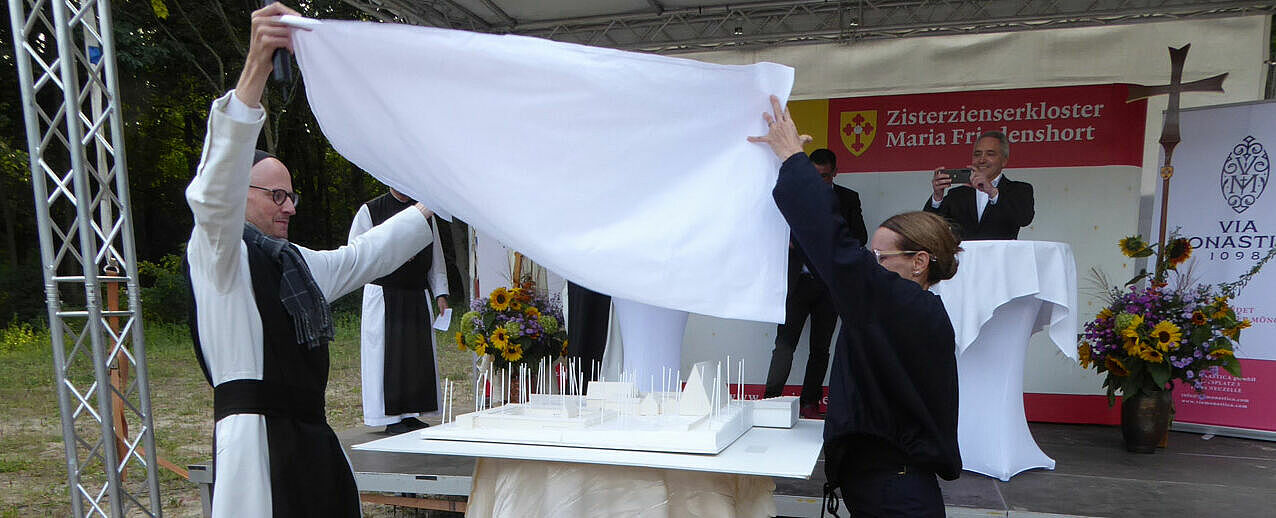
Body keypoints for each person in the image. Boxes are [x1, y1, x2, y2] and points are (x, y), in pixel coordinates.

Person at [183, 4, 436, 516]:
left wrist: (440, 199)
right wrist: (256, 67)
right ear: (242, 195)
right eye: (276, 196)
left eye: (292, 196)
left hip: (312, 444)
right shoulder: (217, 256)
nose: (290, 207)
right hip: (255, 451)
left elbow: (368, 255)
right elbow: (214, 192)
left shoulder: (296, 264)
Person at [750, 96, 962, 517]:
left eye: (880, 258)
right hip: (892, 484)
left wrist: (793, 158)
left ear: (920, 262)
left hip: (895, 492)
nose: (871, 265)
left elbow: (833, 247)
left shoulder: (899, 304)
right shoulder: (910, 307)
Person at [765, 148, 866, 418]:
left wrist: (818, 243)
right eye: (813, 174)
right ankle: (769, 400)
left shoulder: (848, 198)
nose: (818, 180)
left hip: (829, 285)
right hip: (795, 281)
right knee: (784, 344)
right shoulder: (791, 196)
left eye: (823, 176)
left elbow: (859, 238)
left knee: (820, 348)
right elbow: (774, 234)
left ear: (835, 172)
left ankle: (810, 402)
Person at [349, 187, 451, 434]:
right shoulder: (370, 211)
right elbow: (356, 252)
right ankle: (390, 416)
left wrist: (441, 293)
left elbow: (435, 257)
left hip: (416, 293)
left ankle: (413, 411)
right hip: (385, 294)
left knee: (417, 354)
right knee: (387, 356)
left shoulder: (424, 211)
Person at [924, 130, 1034, 240]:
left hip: (1001, 256)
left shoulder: (1020, 189)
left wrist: (992, 192)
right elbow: (929, 228)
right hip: (965, 256)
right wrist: (937, 197)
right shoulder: (957, 194)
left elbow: (1024, 219)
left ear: (1004, 161)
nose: (982, 160)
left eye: (990, 154)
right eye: (977, 154)